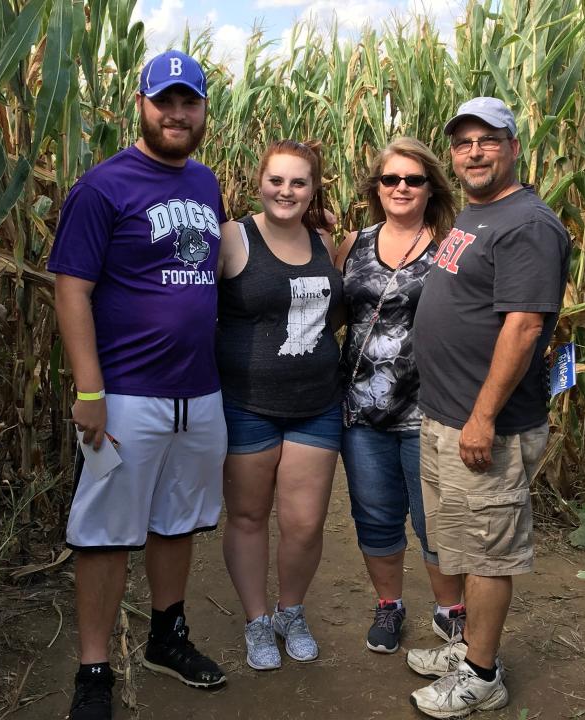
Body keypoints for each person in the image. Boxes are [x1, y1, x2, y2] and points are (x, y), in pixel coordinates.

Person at [48, 50, 228, 720]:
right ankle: (94, 667)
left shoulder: (206, 185)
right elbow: (72, 290)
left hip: (199, 392)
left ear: (205, 110)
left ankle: (166, 635)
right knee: (104, 532)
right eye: (165, 102)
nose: (178, 114)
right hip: (125, 393)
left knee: (176, 520)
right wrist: (89, 390)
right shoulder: (103, 187)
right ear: (142, 106)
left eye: (190, 102)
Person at [407, 98, 570, 717]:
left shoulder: (527, 223)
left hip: (486, 428)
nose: (474, 151)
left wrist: (482, 418)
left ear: (513, 146)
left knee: (486, 552)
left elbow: (525, 327)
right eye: (463, 142)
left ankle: (481, 675)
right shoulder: (479, 215)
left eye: (488, 140)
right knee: (463, 545)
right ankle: (469, 647)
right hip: (446, 415)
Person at [216, 139, 343, 672]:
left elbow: (333, 313)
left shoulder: (327, 241)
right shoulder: (231, 238)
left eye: (298, 182)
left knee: (305, 523)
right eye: (277, 181)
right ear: (259, 182)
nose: (286, 191)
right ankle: (256, 619)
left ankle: (291, 611)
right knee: (248, 516)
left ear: (313, 190)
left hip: (317, 402)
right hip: (247, 402)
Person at [333, 137, 459, 654]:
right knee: (375, 514)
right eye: (391, 179)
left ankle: (452, 611)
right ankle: (389, 605)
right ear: (376, 189)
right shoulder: (354, 244)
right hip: (361, 409)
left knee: (435, 519)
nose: (401, 187)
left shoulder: (453, 243)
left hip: (431, 409)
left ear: (431, 188)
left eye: (413, 179)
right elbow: (335, 317)